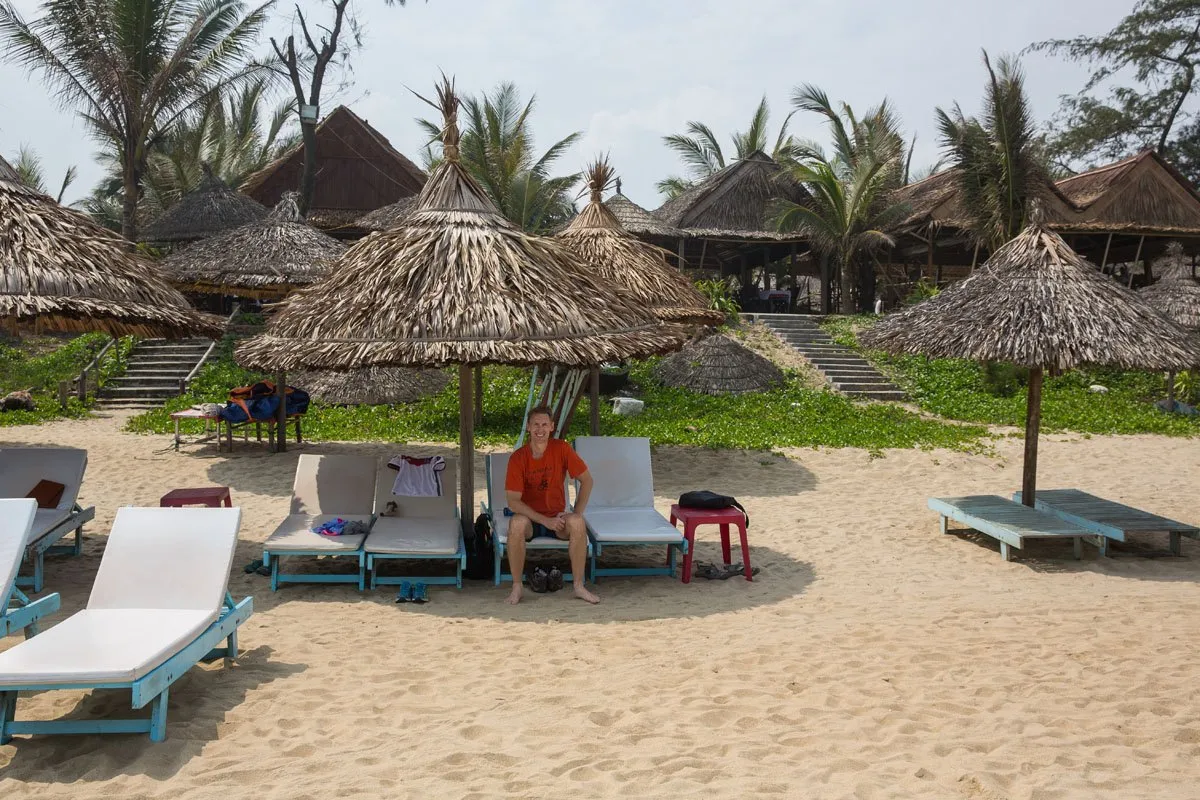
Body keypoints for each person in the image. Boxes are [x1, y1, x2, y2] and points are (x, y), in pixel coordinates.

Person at [504, 405, 600, 605]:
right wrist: (544, 520)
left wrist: (576, 512)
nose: (540, 429)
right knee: (516, 524)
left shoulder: (562, 449)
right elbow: (513, 501)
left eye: (544, 425)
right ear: (528, 427)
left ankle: (579, 586)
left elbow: (587, 480)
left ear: (552, 427)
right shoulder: (518, 458)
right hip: (531, 519)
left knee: (577, 523)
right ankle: (516, 586)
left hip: (557, 518)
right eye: (536, 425)